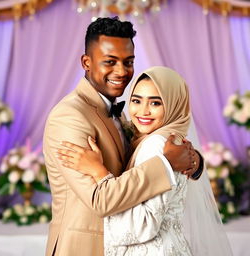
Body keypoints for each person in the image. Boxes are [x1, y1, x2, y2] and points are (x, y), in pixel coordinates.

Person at [43, 17, 202, 256]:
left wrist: (193, 160)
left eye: (128, 62)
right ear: (86, 62)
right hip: (83, 247)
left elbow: (143, 150)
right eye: (110, 62)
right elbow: (100, 200)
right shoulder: (69, 116)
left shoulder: (120, 112)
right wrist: (167, 164)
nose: (121, 72)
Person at [57, 66, 233, 255]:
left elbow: (143, 225)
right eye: (136, 100)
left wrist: (98, 172)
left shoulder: (157, 144)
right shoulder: (168, 139)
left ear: (174, 104)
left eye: (155, 103)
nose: (143, 111)